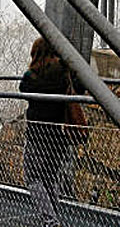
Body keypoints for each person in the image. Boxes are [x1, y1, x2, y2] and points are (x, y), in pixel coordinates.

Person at [19, 37, 76, 227]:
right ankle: (53, 217)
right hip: (59, 134)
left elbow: (23, 89)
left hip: (37, 134)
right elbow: (79, 86)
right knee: (50, 178)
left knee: (33, 178)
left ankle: (50, 221)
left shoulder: (32, 75)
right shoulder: (63, 74)